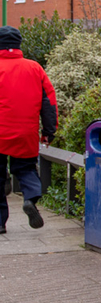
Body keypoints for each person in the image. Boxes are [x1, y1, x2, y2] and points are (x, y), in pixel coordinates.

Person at [0, 26, 57, 233]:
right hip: (26, 132)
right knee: (26, 169)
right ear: (18, 45)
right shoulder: (34, 68)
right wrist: (49, 132)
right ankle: (30, 199)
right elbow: (49, 102)